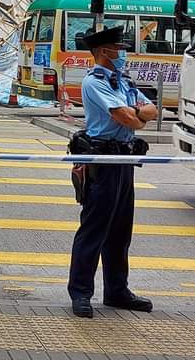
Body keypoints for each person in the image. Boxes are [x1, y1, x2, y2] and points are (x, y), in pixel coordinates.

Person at [67, 25, 157, 319]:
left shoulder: (123, 82)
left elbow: (151, 110)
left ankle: (117, 291)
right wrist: (136, 116)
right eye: (119, 48)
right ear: (103, 51)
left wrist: (136, 115)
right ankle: (81, 293)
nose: (123, 53)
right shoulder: (95, 82)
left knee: (120, 231)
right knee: (94, 230)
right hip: (103, 162)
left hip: (124, 162)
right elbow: (124, 116)